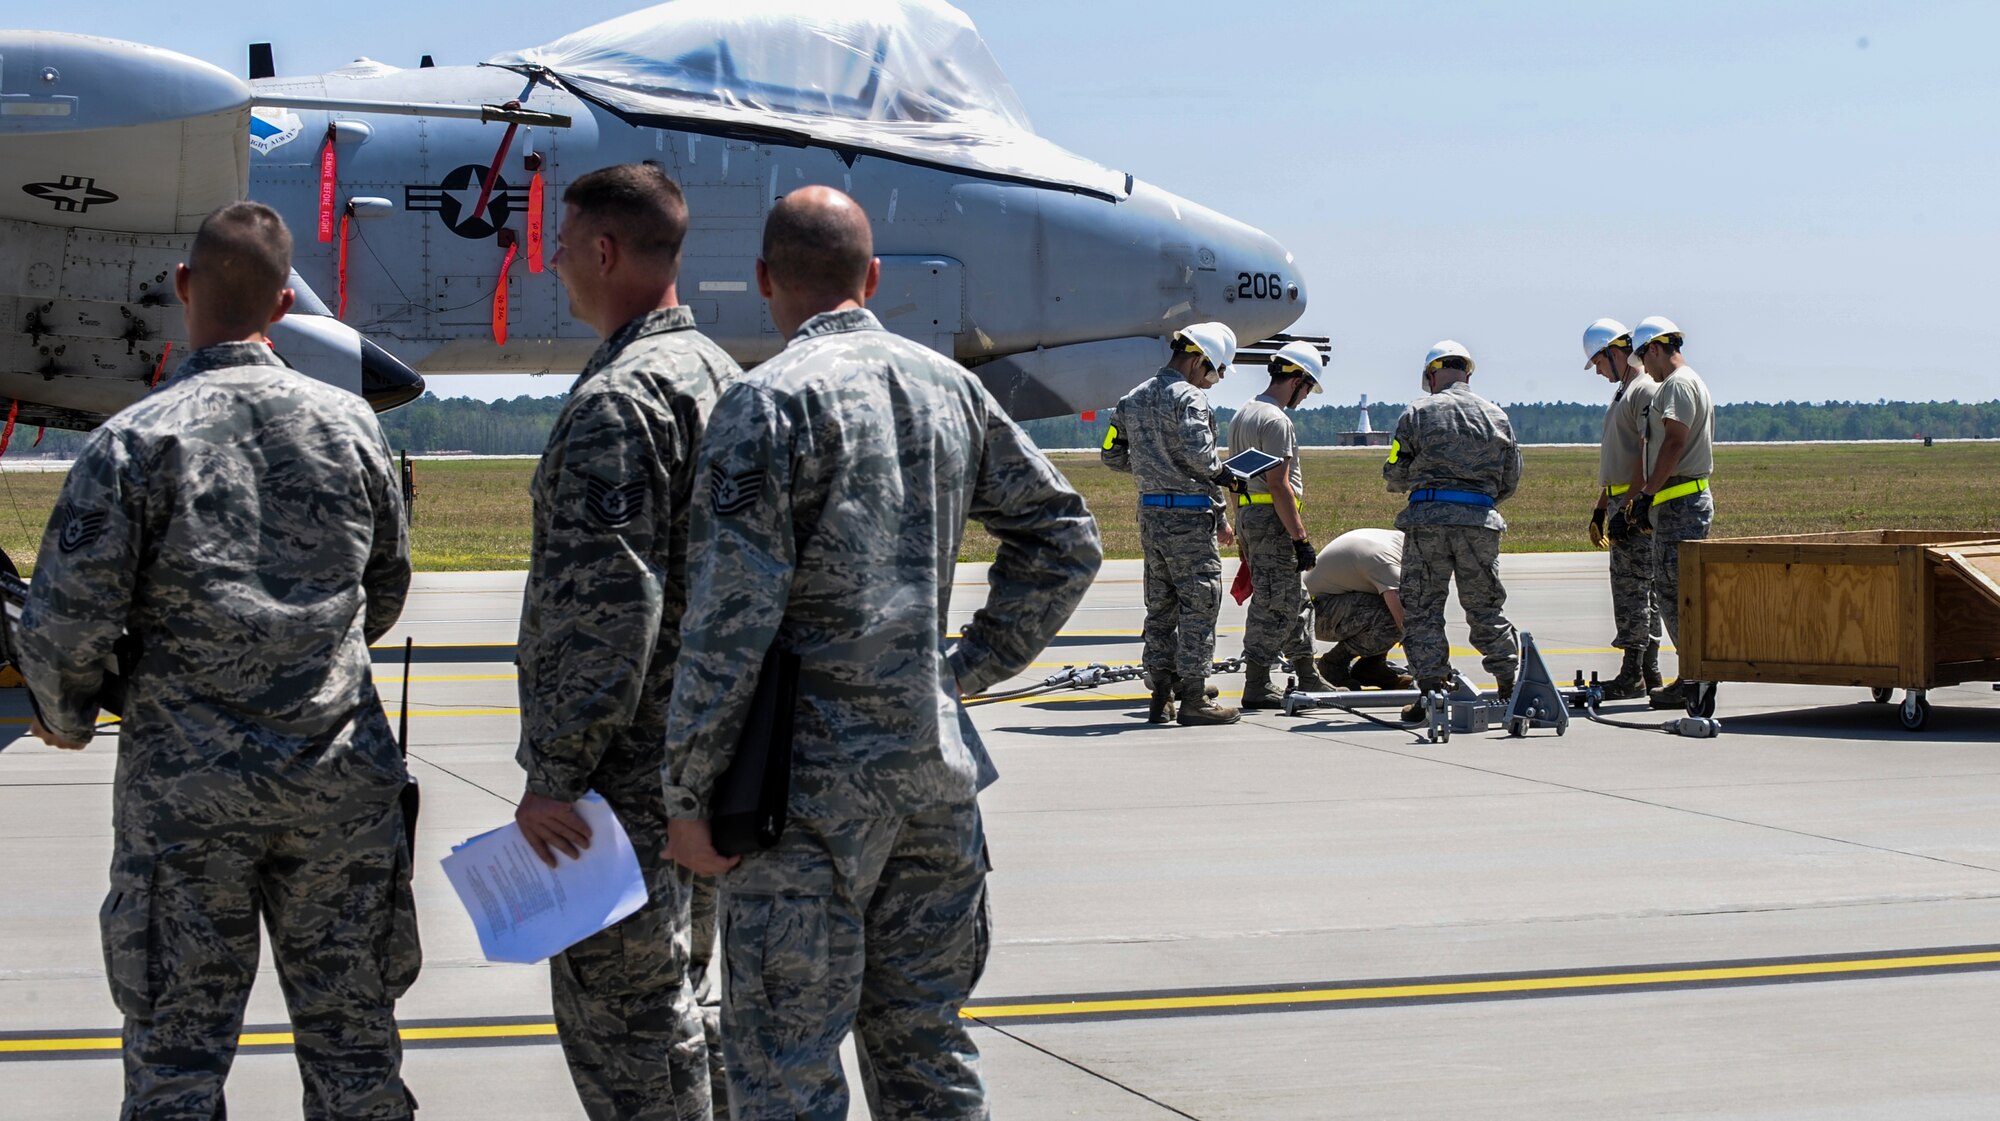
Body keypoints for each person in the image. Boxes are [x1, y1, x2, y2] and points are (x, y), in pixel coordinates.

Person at [658, 186, 1101, 1121]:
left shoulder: (765, 401)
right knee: (928, 1051)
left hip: (802, 799)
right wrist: (962, 668)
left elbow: (728, 621)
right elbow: (1064, 537)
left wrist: (691, 795)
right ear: (873, 278)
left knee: (785, 1067)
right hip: (933, 784)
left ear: (766, 280)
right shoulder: (949, 386)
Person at [17, 201, 420, 1120]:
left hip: (188, 801)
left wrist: (70, 714)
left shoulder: (136, 441)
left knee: (177, 1063)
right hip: (339, 787)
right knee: (356, 1052)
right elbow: (385, 593)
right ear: (284, 305)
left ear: (185, 289)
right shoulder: (355, 428)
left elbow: (65, 620)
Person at [512, 163, 739, 1121]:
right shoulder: (726, 380)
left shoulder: (623, 400)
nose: (553, 263)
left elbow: (608, 610)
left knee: (627, 1022)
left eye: (561, 245)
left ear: (603, 250)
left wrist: (557, 774)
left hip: (626, 780)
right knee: (687, 1003)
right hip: (714, 764)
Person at [1101, 322, 1242, 725]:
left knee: (1160, 606)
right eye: (1212, 373)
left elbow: (1111, 455)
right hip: (1187, 517)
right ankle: (1195, 698)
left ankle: (1161, 694)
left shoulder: (1132, 398)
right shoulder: (1190, 399)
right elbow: (1202, 458)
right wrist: (1227, 477)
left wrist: (1151, 469)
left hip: (1151, 515)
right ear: (1197, 361)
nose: (1212, 383)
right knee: (1200, 605)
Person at [1382, 341, 1523, 723]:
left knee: (1423, 610)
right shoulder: (1497, 416)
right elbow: (1510, 480)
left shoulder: (1417, 413)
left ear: (1431, 376)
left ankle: (1431, 692)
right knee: (1485, 608)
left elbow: (1394, 472)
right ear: (1469, 374)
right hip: (1478, 523)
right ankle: (1511, 684)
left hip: (1428, 522)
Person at [1227, 340, 1333, 707]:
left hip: (1250, 516)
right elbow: (1279, 484)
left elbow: (1234, 479)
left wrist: (1239, 525)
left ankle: (1307, 674)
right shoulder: (1276, 420)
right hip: (1273, 521)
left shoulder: (1244, 414)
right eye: (1306, 389)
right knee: (1274, 604)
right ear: (1298, 380)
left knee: (1296, 600)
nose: (1304, 398)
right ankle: (1256, 682)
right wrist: (1300, 537)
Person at [1626, 315, 1715, 710]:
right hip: (1677, 501)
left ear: (1656, 349)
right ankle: (1694, 673)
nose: (1644, 369)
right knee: (1675, 591)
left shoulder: (1678, 384)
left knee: (1674, 593)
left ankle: (1693, 677)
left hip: (1680, 502)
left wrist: (1647, 492)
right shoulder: (1684, 382)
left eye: (1644, 359)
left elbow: (1674, 442)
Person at [1583, 318, 1664, 700]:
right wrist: (1602, 506)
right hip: (1619, 499)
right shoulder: (1624, 391)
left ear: (1614, 354)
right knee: (1637, 591)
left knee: (1634, 592)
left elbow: (1646, 455)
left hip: (1632, 505)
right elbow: (1619, 458)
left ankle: (1635, 673)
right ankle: (1649, 673)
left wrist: (1625, 508)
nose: (1598, 372)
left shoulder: (1643, 390)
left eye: (1599, 363)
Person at [1303, 528, 1416, 690]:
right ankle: (1333, 664)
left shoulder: (1398, 542)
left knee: (1386, 604)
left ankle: (1371, 667)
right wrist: (1431, 668)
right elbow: (1406, 622)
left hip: (1325, 605)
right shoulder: (1386, 561)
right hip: (1315, 613)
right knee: (1392, 616)